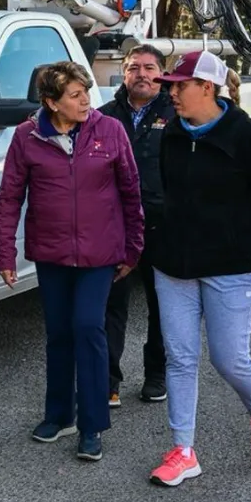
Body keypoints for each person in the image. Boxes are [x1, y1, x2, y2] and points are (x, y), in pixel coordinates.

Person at [145, 51, 251, 486]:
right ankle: (183, 450)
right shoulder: (170, 132)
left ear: (207, 87)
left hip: (229, 266)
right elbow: (165, 190)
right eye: (170, 86)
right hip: (173, 265)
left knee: (229, 358)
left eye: (179, 86)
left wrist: (245, 240)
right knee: (181, 357)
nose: (171, 93)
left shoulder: (248, 136)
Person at [0, 61, 144, 462]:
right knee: (59, 333)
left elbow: (131, 190)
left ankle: (92, 423)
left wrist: (133, 248)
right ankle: (60, 414)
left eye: (86, 93)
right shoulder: (27, 137)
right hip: (52, 253)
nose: (86, 102)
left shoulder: (109, 130)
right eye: (76, 95)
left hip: (100, 253)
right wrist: (4, 252)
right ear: (51, 102)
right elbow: (10, 197)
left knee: (87, 327)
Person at [99, 45, 174, 405]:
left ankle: (156, 375)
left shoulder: (178, 114)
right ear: (123, 73)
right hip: (115, 227)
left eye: (149, 67)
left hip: (163, 225)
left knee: (163, 304)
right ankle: (109, 380)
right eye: (133, 68)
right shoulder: (104, 116)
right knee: (112, 305)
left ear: (162, 72)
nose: (141, 74)